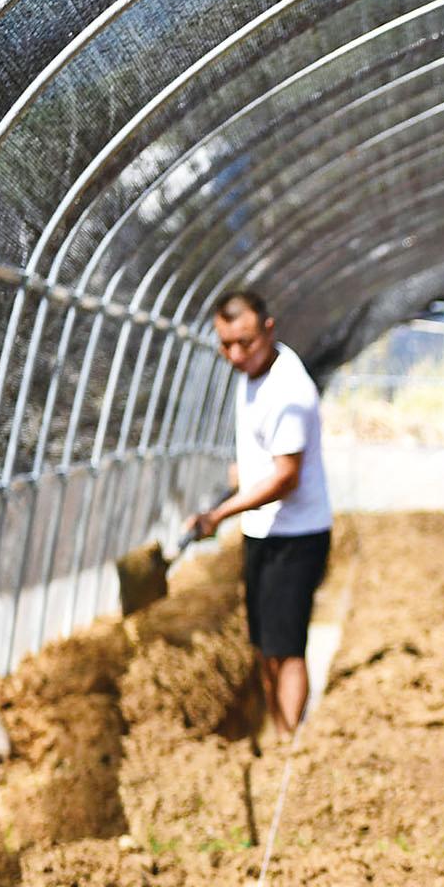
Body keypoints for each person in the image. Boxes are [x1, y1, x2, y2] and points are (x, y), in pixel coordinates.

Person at [189, 289, 333, 738]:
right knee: (264, 645)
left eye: (246, 343)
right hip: (264, 531)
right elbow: (262, 459)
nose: (236, 354)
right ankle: (277, 732)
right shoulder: (252, 373)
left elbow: (286, 478)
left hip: (296, 536)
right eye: (226, 344)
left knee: (286, 647)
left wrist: (219, 515)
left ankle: (289, 742)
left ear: (268, 330)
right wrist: (238, 482)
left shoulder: (289, 390)